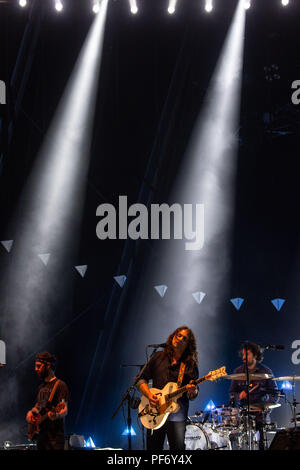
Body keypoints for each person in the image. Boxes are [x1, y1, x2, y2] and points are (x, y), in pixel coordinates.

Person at [137, 326, 199, 451]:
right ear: (173, 336)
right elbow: (140, 379)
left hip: (177, 416)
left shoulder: (190, 364)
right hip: (154, 412)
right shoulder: (158, 357)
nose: (179, 338)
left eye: (184, 338)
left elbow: (193, 394)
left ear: (188, 344)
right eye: (178, 335)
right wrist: (149, 395)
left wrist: (193, 391)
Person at [229, 342, 279, 450]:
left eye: (247, 354)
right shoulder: (238, 372)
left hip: (260, 415)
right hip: (243, 414)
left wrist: (266, 408)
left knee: (260, 440)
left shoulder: (265, 371)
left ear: (255, 355)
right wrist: (239, 396)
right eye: (243, 354)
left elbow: (275, 393)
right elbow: (232, 393)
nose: (244, 357)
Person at [26, 351, 70, 450]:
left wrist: (57, 415)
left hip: (55, 440)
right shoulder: (41, 387)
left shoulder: (60, 385)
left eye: (39, 366)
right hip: (41, 438)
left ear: (48, 365)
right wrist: (31, 413)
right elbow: (38, 406)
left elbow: (64, 408)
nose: (35, 369)